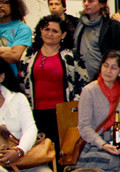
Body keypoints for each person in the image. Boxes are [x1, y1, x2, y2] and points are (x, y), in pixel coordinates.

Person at [18, 15, 88, 157]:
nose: (49, 33)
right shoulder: (29, 53)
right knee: (39, 154)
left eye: (54, 31)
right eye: (46, 29)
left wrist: (74, 105)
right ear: (40, 31)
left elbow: (83, 82)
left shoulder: (71, 55)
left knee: (63, 154)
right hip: (35, 112)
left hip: (63, 114)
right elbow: (21, 81)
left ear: (63, 34)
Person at [73, 0, 120, 81]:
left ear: (102, 4)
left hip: (104, 79)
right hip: (81, 78)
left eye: (90, 1)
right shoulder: (79, 24)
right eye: (84, 1)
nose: (86, 4)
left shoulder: (115, 28)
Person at [0, 0, 33, 74]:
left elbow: (14, 55)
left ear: (13, 5)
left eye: (4, 2)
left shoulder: (22, 28)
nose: (0, 5)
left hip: (10, 78)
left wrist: (11, 51)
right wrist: (5, 49)